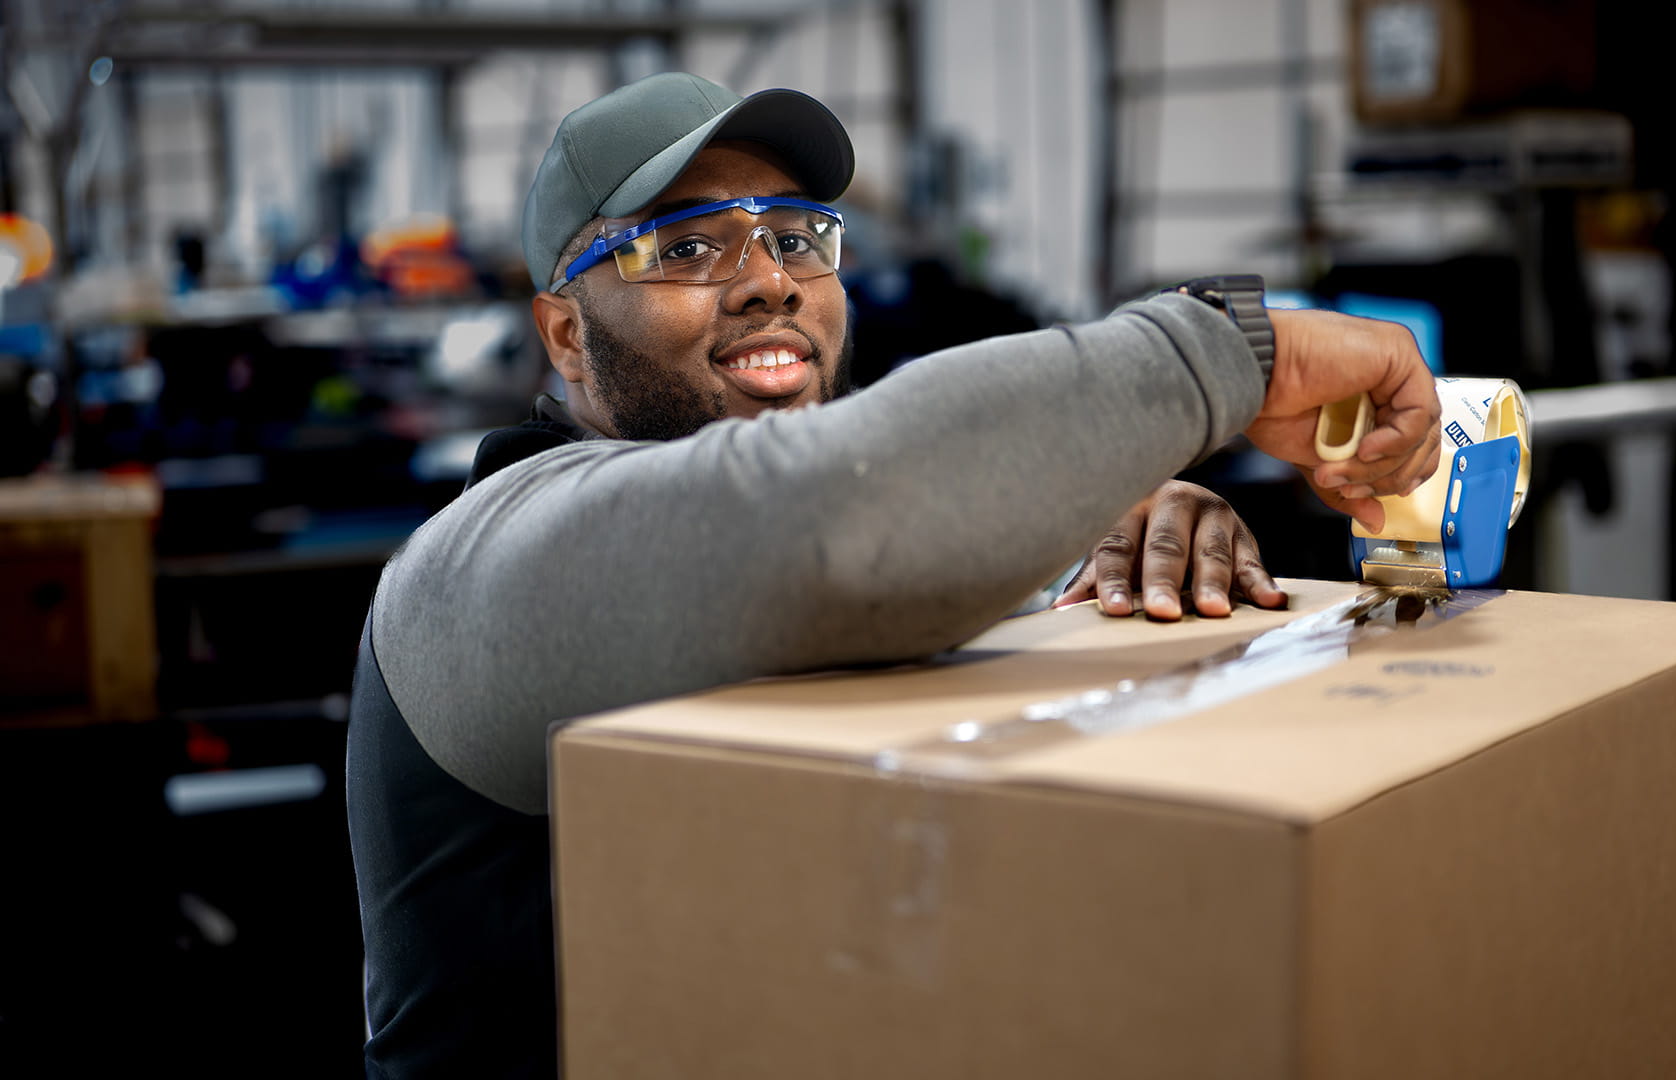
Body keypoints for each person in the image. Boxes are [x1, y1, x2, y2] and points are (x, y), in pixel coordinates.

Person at [346, 72, 1440, 1078]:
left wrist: (1092, 518)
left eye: (794, 236)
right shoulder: (482, 567)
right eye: (683, 250)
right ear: (566, 335)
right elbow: (834, 517)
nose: (769, 282)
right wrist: (1234, 356)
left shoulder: (801, 549)